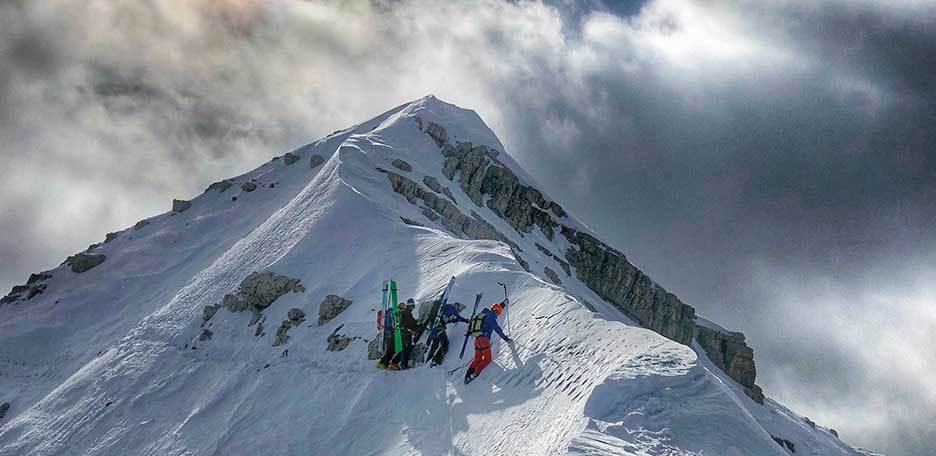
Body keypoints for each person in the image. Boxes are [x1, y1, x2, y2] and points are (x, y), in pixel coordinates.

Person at [465, 300, 510, 383]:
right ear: (495, 311)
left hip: (477, 339)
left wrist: (503, 303)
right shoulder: (491, 317)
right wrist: (506, 339)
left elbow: (497, 307)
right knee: (487, 359)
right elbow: (498, 329)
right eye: (498, 313)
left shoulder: (485, 314)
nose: (498, 315)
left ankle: (467, 376)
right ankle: (474, 374)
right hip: (484, 340)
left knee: (477, 359)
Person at [427, 301, 468, 367]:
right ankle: (436, 360)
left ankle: (428, 361)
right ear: (457, 306)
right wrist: (465, 320)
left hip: (435, 327)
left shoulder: (446, 308)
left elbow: (446, 319)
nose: (458, 311)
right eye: (459, 310)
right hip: (439, 328)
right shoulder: (452, 308)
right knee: (445, 344)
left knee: (435, 344)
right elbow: (458, 317)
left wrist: (453, 320)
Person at [388, 298, 420, 370]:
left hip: (403, 332)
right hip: (406, 333)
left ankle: (394, 362)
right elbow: (410, 323)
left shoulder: (405, 311)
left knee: (404, 348)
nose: (413, 307)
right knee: (407, 349)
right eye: (413, 306)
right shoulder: (407, 312)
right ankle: (403, 365)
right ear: (411, 305)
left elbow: (410, 321)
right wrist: (417, 326)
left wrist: (415, 322)